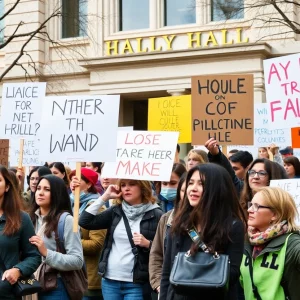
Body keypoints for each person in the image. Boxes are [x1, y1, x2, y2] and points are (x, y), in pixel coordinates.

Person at [160, 164, 245, 300]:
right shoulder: (179, 223)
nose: (193, 189)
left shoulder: (233, 226)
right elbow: (167, 272)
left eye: (201, 184)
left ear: (217, 189)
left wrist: (203, 266)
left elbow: (232, 274)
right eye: (191, 183)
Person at [79, 179, 163, 300]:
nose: (126, 188)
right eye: (123, 185)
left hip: (136, 283)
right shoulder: (116, 210)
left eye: (132, 184)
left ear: (143, 187)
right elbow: (85, 221)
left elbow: (164, 248)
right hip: (110, 281)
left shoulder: (156, 214)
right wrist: (105, 196)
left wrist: (148, 244)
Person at [29, 174, 84, 299]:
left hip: (55, 285)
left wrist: (46, 253)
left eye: (47, 190)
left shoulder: (66, 220)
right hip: (31, 283)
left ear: (57, 193)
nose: (40, 193)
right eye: (38, 188)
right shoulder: (29, 219)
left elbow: (77, 260)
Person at [240, 187, 300, 300]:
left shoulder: (293, 243)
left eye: (256, 206)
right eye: (250, 205)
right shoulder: (247, 240)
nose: (249, 210)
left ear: (275, 214)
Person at [205, 138, 288, 214]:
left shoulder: (280, 203)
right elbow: (228, 174)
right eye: (252, 172)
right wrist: (216, 155)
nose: (255, 176)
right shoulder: (241, 191)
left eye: (262, 173)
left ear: (271, 177)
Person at [0, 166, 41, 300]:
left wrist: (18, 270)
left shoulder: (21, 218)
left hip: (6, 294)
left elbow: (34, 256)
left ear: (7, 187)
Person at [70, 168, 107, 300]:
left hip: (89, 279)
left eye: (77, 179)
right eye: (71, 179)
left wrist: (69, 243)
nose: (73, 183)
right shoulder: (70, 204)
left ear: (89, 184)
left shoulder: (96, 208)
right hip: (71, 276)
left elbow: (96, 244)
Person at [149, 173, 187, 294]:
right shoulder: (167, 219)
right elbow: (156, 254)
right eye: (183, 190)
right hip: (170, 289)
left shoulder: (215, 222)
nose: (190, 193)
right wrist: (158, 284)